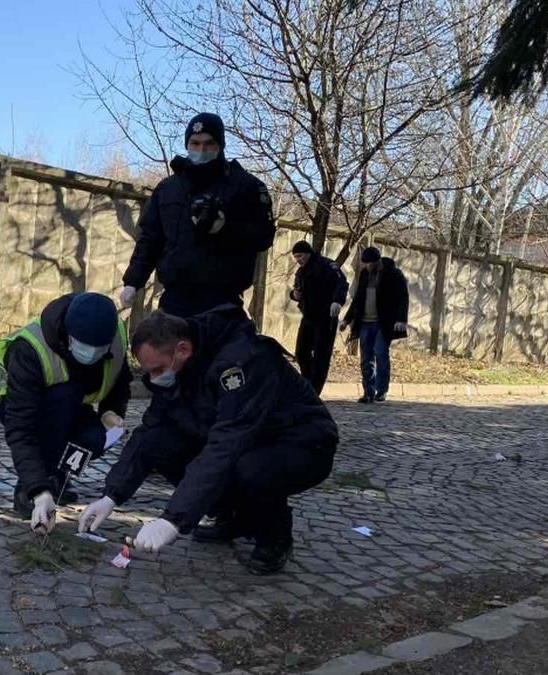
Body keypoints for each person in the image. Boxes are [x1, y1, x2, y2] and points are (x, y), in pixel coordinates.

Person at [76, 307, 338, 575]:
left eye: (158, 369)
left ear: (183, 350)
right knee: (159, 441)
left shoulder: (241, 363)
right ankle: (232, 516)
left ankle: (274, 536)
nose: (154, 379)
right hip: (246, 440)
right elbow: (149, 431)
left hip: (302, 443)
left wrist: (173, 520)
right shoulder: (179, 369)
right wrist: (111, 495)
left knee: (251, 469)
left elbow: (225, 446)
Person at [0, 292, 133, 532]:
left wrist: (112, 412)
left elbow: (120, 382)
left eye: (99, 349)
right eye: (85, 347)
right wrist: (38, 489)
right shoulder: (30, 349)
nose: (93, 354)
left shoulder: (114, 337)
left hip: (71, 407)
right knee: (65, 397)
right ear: (68, 335)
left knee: (97, 438)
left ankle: (59, 475)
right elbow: (20, 428)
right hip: (16, 404)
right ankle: (31, 488)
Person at [118, 112, 277, 317]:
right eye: (195, 143)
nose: (201, 150)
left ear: (220, 145)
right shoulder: (168, 189)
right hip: (174, 301)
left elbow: (264, 236)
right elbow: (150, 239)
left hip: (222, 304)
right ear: (187, 145)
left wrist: (225, 227)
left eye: (209, 143)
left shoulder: (245, 186)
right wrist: (133, 281)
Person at [339, 247, 410, 403]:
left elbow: (402, 298)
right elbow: (357, 299)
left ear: (377, 261)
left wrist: (401, 320)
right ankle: (368, 392)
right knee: (366, 358)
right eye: (365, 263)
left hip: (383, 323)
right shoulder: (364, 274)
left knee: (380, 352)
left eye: (370, 263)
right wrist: (346, 319)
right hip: (365, 322)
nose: (367, 266)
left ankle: (381, 390)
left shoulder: (393, 274)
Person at [289, 240, 348, 396]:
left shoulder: (327, 265)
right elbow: (297, 289)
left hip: (326, 317)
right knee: (301, 352)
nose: (298, 260)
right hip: (308, 316)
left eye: (300, 256)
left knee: (321, 355)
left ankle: (315, 390)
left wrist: (337, 301)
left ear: (308, 253)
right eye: (296, 257)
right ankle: (308, 383)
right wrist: (294, 295)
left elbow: (342, 284)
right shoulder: (301, 271)